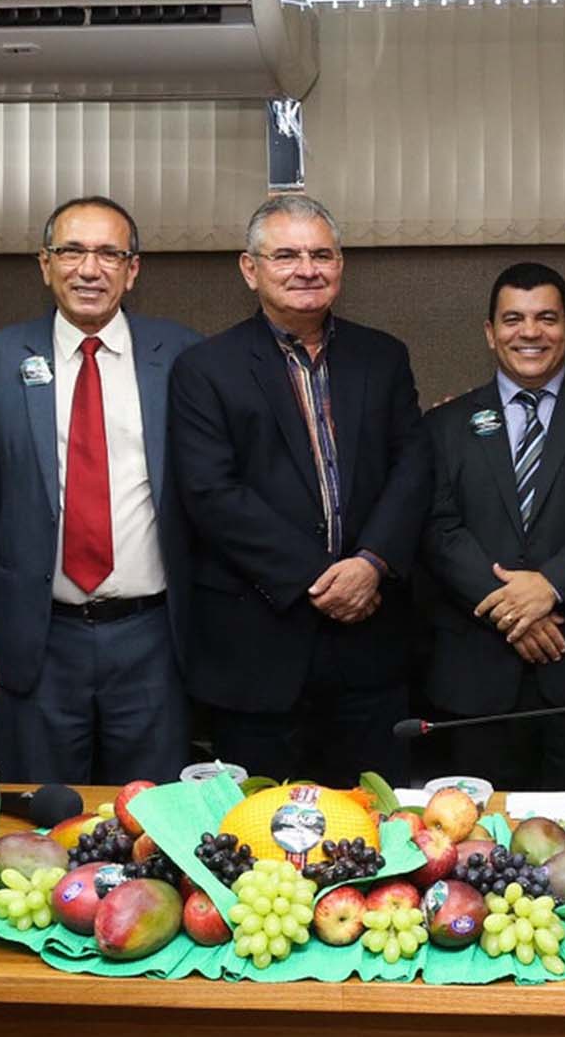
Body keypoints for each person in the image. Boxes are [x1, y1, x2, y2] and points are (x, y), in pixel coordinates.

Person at [169, 193, 430, 784]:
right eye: (285, 255)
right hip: (259, 645)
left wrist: (371, 563)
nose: (306, 269)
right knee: (257, 821)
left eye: (321, 255)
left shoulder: (383, 356)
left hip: (371, 639)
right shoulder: (206, 368)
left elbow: (412, 468)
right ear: (250, 268)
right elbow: (212, 493)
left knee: (376, 816)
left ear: (341, 264)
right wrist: (323, 578)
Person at [0, 197, 199, 783]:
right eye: (72, 251)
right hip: (37, 640)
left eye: (109, 254)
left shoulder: (182, 356)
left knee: (153, 816)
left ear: (132, 270)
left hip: (153, 638)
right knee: (40, 813)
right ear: (45, 264)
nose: (90, 269)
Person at [421, 262, 565, 789]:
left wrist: (550, 588)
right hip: (478, 679)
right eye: (513, 319)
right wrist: (513, 611)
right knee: (479, 832)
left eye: (547, 318)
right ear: (490, 332)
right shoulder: (444, 425)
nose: (530, 332)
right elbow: (437, 528)